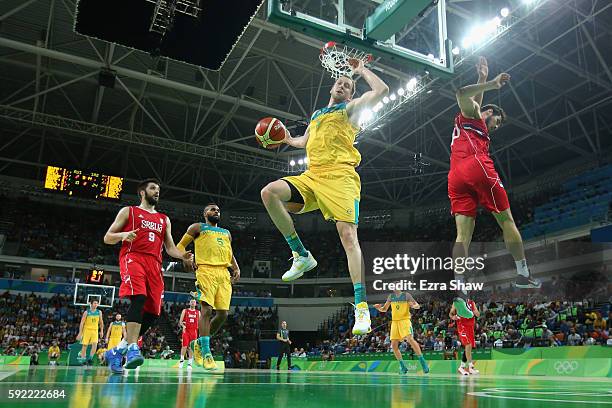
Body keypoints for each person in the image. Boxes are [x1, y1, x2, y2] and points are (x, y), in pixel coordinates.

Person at [260, 59, 389, 336]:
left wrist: (362, 70)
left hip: (341, 177)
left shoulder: (351, 110)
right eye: (340, 82)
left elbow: (382, 90)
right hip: (313, 176)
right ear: (332, 87)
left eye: (348, 85)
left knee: (348, 236)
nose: (342, 85)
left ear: (351, 94)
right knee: (269, 192)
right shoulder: (317, 114)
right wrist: (284, 138)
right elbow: (303, 142)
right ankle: (301, 254)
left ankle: (362, 308)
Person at [449, 57, 540, 317]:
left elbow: (472, 99)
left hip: (455, 175)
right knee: (507, 221)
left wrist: (481, 79)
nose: (496, 127)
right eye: (496, 121)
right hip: (477, 166)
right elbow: (462, 93)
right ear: (487, 112)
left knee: (462, 236)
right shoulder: (476, 115)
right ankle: (523, 273)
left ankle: (460, 287)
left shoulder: (467, 117)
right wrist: (490, 82)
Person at [103, 179, 193, 374]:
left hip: (155, 264)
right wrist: (122, 235)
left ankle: (117, 351)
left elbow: (170, 248)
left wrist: (183, 255)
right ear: (142, 192)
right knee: (139, 297)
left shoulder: (164, 219)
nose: (157, 192)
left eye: (159, 189)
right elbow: (108, 237)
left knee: (154, 312)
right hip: (133, 257)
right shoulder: (129, 211)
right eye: (153, 188)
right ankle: (134, 349)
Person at [177, 203, 240, 371]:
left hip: (223, 273)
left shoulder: (226, 233)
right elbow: (180, 246)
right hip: (205, 270)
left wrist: (236, 267)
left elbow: (230, 253)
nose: (216, 211)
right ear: (205, 213)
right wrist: (185, 258)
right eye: (212, 209)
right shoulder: (197, 227)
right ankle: (206, 353)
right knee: (206, 310)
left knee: (223, 314)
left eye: (218, 209)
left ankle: (198, 343)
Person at [374, 290, 429, 374]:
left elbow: (417, 305)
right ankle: (403, 367)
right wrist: (378, 308)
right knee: (394, 345)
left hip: (405, 321)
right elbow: (384, 309)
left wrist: (414, 306)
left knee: (410, 339)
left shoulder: (406, 295)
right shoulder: (391, 297)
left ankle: (423, 362)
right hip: (395, 322)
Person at [450, 298, 480, 375]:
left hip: (470, 327)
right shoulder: (457, 302)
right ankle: (470, 367)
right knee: (468, 344)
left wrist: (475, 312)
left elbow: (477, 314)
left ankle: (462, 367)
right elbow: (451, 313)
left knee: (469, 347)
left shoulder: (472, 302)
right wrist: (453, 317)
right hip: (462, 325)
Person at [76, 299, 104, 366]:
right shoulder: (86, 312)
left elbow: (101, 322)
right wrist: (80, 333)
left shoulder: (99, 312)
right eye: (94, 303)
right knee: (85, 345)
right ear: (91, 304)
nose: (96, 304)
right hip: (87, 330)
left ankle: (90, 359)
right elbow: (82, 323)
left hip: (95, 330)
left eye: (97, 303)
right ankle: (83, 360)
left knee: (95, 344)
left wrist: (102, 331)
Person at [178, 299, 199, 369]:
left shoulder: (198, 312)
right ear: (189, 303)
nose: (193, 303)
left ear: (196, 304)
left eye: (194, 302)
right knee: (184, 346)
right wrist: (183, 326)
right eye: (191, 302)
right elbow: (180, 322)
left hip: (194, 332)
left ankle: (189, 364)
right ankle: (181, 360)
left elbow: (200, 323)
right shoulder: (185, 311)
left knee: (191, 348)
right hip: (186, 331)